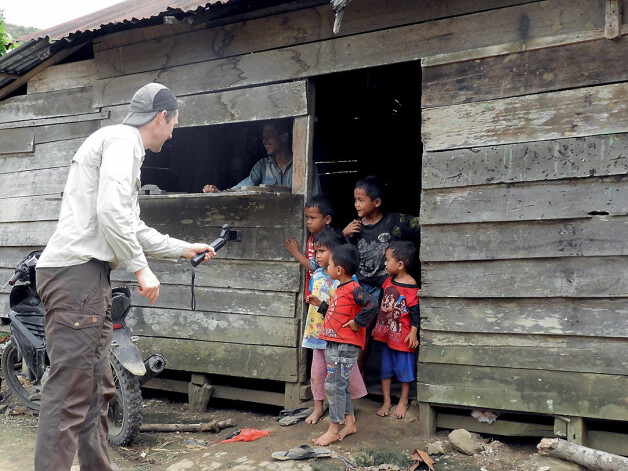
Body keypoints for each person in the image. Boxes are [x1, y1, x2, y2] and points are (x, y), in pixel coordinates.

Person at [34, 83, 216, 471]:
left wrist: (183, 247)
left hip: (89, 278)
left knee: (96, 388)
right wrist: (141, 267)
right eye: (174, 124)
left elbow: (130, 223)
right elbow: (111, 213)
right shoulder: (123, 142)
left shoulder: (120, 146)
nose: (172, 134)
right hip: (75, 277)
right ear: (161, 117)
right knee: (69, 393)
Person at [342, 175, 420, 381]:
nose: (356, 204)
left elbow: (424, 224)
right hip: (359, 285)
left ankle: (359, 372)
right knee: (355, 328)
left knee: (367, 330)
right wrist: (345, 234)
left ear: (376, 202)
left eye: (361, 200)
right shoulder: (355, 227)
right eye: (355, 199)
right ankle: (358, 374)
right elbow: (344, 255)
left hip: (383, 288)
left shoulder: (393, 222)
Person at [314, 244, 378, 446]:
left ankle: (334, 429)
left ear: (339, 269)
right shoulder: (341, 289)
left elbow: (372, 304)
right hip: (334, 344)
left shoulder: (354, 288)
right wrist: (321, 305)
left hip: (345, 346)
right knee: (340, 386)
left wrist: (359, 322)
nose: (328, 267)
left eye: (330, 264)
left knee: (334, 386)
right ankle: (349, 424)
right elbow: (338, 315)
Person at [302, 228, 368, 424]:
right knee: (318, 371)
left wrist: (357, 322)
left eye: (322, 251)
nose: (317, 255)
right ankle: (318, 408)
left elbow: (355, 306)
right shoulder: (317, 275)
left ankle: (346, 412)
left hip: (339, 336)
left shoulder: (347, 279)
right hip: (317, 332)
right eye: (315, 251)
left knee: (343, 374)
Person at [202, 118, 322, 194]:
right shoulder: (263, 166)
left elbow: (316, 199)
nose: (264, 141)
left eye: (269, 135)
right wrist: (220, 192)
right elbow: (244, 186)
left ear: (284, 137)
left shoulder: (304, 164)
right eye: (263, 137)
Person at [372, 241, 420, 419]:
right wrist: (377, 326)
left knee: (404, 371)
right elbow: (381, 305)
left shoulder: (411, 285)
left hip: (404, 338)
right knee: (385, 369)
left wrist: (413, 332)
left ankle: (403, 401)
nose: (385, 263)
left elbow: (415, 311)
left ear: (400, 265)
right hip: (387, 335)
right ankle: (386, 401)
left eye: (387, 260)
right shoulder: (387, 282)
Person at [284, 194, 334, 298]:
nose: (308, 222)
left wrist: (295, 253)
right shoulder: (311, 237)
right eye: (307, 217)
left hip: (325, 291)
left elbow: (315, 267)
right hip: (313, 290)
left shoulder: (328, 241)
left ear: (327, 219)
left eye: (313, 218)